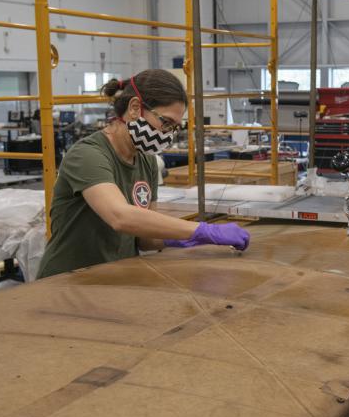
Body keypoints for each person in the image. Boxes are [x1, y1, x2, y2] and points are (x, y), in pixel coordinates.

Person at [37, 69, 249, 278]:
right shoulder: (87, 155)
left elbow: (144, 239)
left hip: (112, 278)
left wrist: (184, 239)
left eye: (174, 128)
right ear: (135, 108)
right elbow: (119, 216)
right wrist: (201, 230)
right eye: (165, 123)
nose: (168, 134)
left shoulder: (147, 160)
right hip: (67, 280)